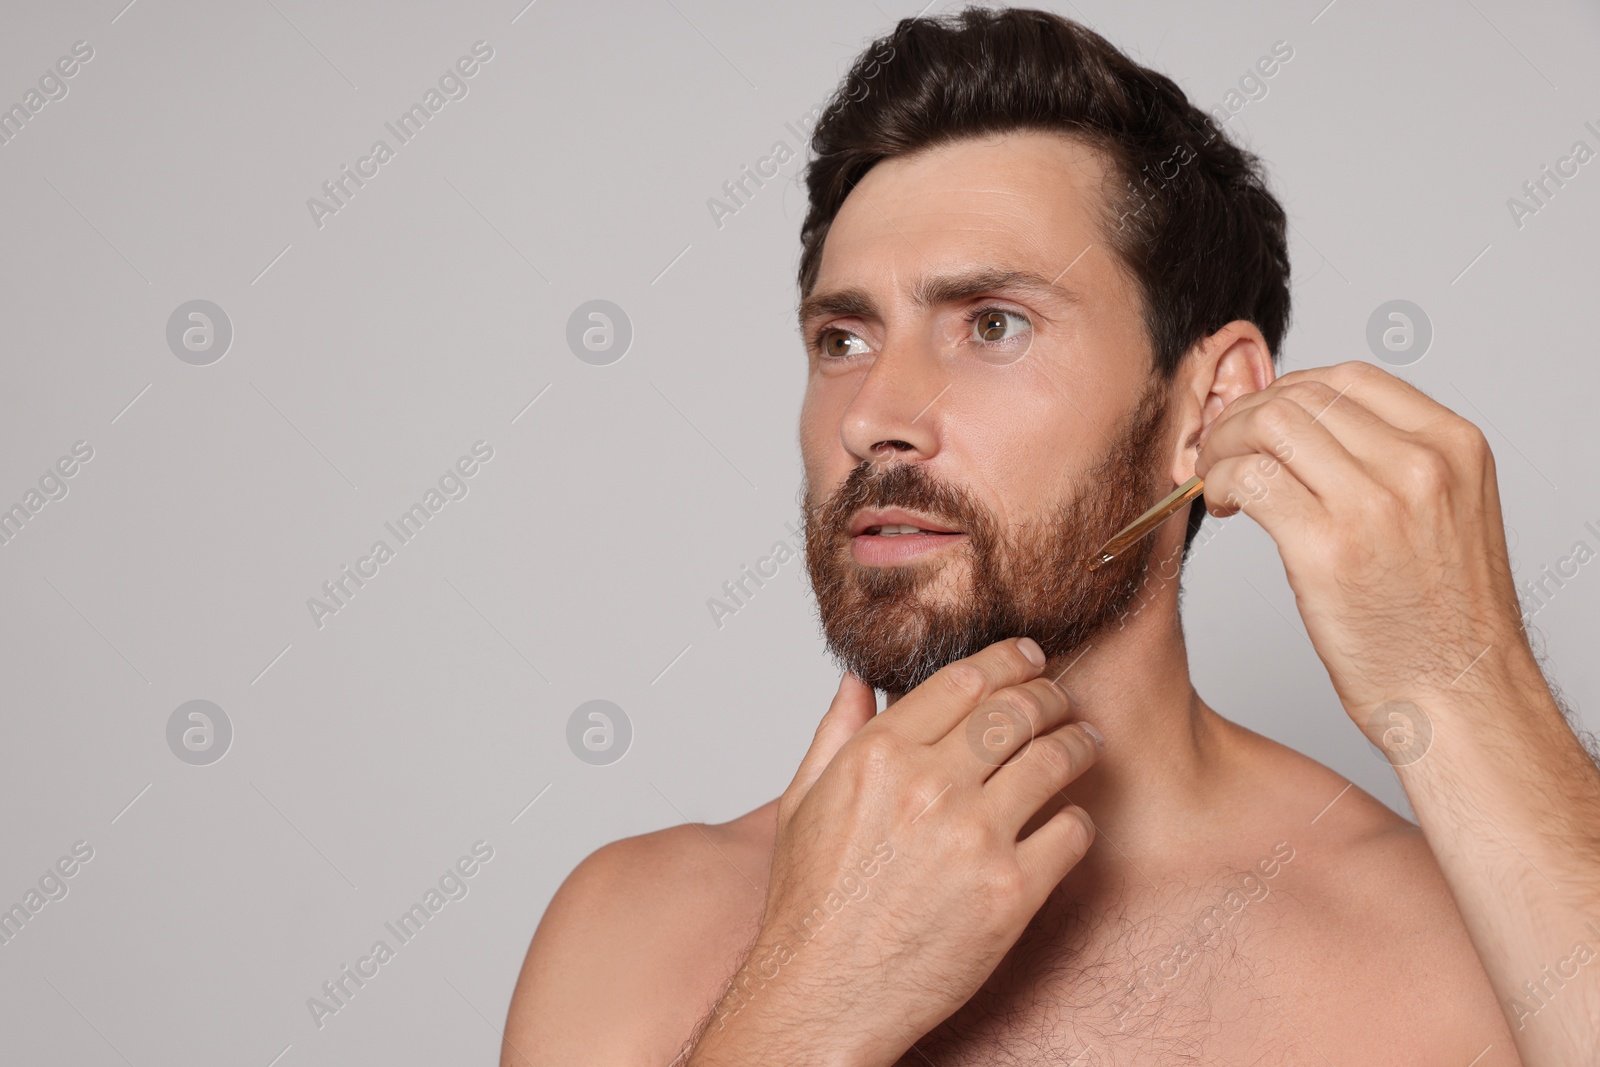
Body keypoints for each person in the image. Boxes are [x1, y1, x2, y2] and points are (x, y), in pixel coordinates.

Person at [502, 9, 1600, 1065]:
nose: (872, 413)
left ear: (1207, 412)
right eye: (843, 336)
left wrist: (1465, 683)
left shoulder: (1453, 952)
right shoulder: (633, 927)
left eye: (992, 324)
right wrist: (805, 1005)